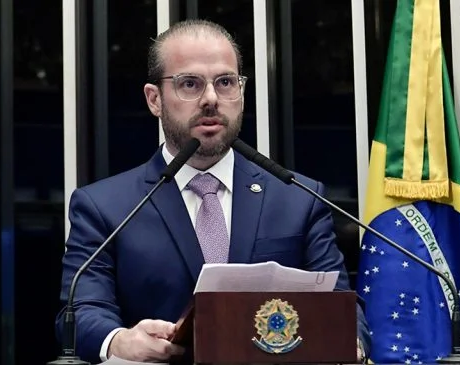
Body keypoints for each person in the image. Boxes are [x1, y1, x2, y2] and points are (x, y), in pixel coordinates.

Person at [56, 19, 370, 364]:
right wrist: (119, 340)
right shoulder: (105, 207)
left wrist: (349, 340)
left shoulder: (298, 198)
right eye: (189, 83)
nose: (210, 99)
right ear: (154, 99)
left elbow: (342, 304)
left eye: (225, 82)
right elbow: (80, 312)